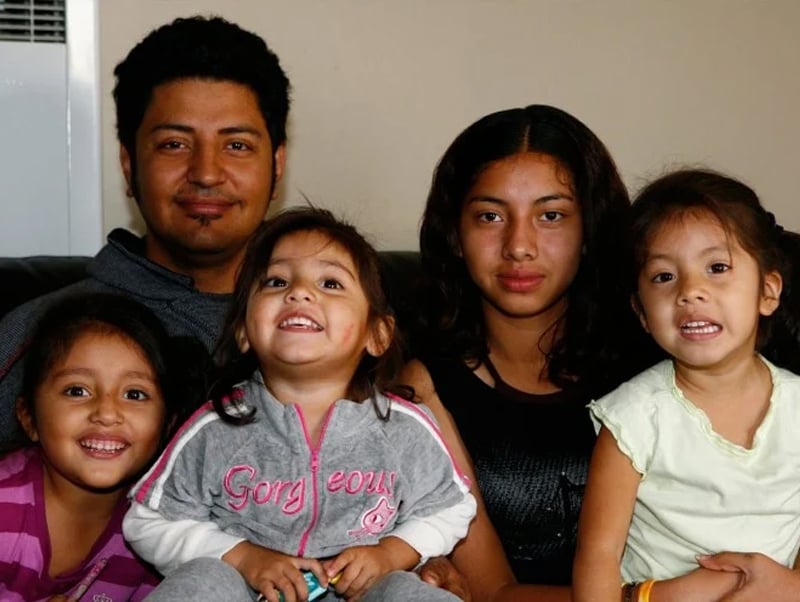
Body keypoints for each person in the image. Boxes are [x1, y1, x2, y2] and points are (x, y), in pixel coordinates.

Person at [122, 207, 478, 602]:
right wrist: (241, 557)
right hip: (247, 591)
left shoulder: (404, 428)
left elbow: (451, 508)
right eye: (276, 281)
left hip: (361, 593)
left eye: (330, 283)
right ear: (243, 330)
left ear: (377, 334)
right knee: (204, 580)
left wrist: (392, 553)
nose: (299, 292)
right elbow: (148, 519)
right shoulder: (216, 428)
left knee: (407, 592)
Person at [402, 104, 659, 601]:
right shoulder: (420, 389)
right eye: (490, 216)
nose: (519, 245)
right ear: (455, 232)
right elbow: (495, 593)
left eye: (551, 215)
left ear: (590, 230)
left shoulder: (658, 364)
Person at [0, 15, 290, 444]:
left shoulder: (338, 321)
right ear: (128, 164)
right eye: (174, 144)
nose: (207, 173)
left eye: (236, 145)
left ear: (277, 164)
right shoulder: (40, 334)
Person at [572, 169, 800, 602]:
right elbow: (597, 557)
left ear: (768, 291)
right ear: (641, 312)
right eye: (664, 277)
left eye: (717, 268)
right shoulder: (634, 417)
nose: (691, 291)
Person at [0, 292, 208, 601]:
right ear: (29, 417)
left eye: (135, 394)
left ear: (168, 425)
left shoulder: (159, 533)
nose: (107, 414)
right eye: (77, 390)